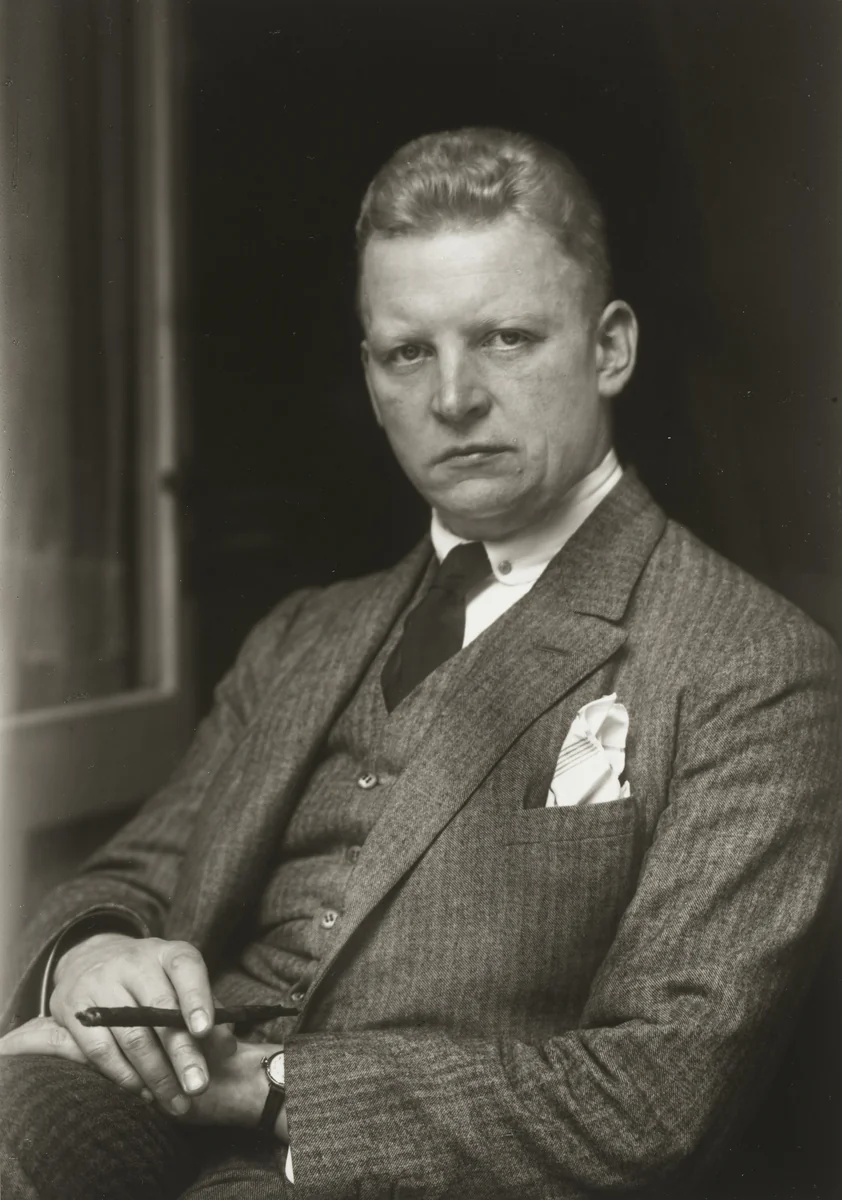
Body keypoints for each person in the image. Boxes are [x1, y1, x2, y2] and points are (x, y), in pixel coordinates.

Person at [1, 127, 840, 1200]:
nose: (452, 397)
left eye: (503, 339)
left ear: (609, 348)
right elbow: (127, 879)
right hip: (161, 1110)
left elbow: (656, 1091)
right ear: (369, 374)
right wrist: (92, 957)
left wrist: (270, 1086)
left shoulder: (749, 662)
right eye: (409, 351)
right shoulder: (302, 632)